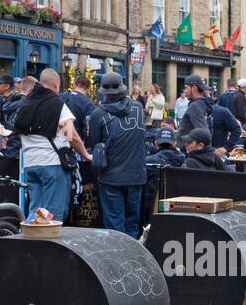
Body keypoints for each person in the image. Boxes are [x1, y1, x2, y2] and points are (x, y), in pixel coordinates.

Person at [13, 68, 90, 221]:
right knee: (52, 215)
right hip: (52, 165)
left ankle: (30, 242)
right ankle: (48, 245)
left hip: (30, 165)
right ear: (56, 85)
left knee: (35, 212)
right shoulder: (57, 104)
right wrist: (86, 154)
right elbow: (71, 135)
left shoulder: (25, 103)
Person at [87, 72, 147, 238]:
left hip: (111, 177)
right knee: (132, 223)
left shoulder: (98, 114)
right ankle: (133, 258)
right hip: (136, 175)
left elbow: (94, 144)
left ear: (103, 92)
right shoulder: (138, 108)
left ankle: (118, 260)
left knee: (114, 224)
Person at [60, 75, 97, 149]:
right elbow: (88, 130)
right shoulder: (88, 104)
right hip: (76, 146)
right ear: (88, 89)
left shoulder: (60, 97)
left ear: (74, 84)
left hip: (57, 144)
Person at [176, 74, 212, 140]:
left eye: (186, 88)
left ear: (194, 88)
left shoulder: (195, 106)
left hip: (191, 149)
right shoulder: (202, 104)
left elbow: (204, 134)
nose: (185, 91)